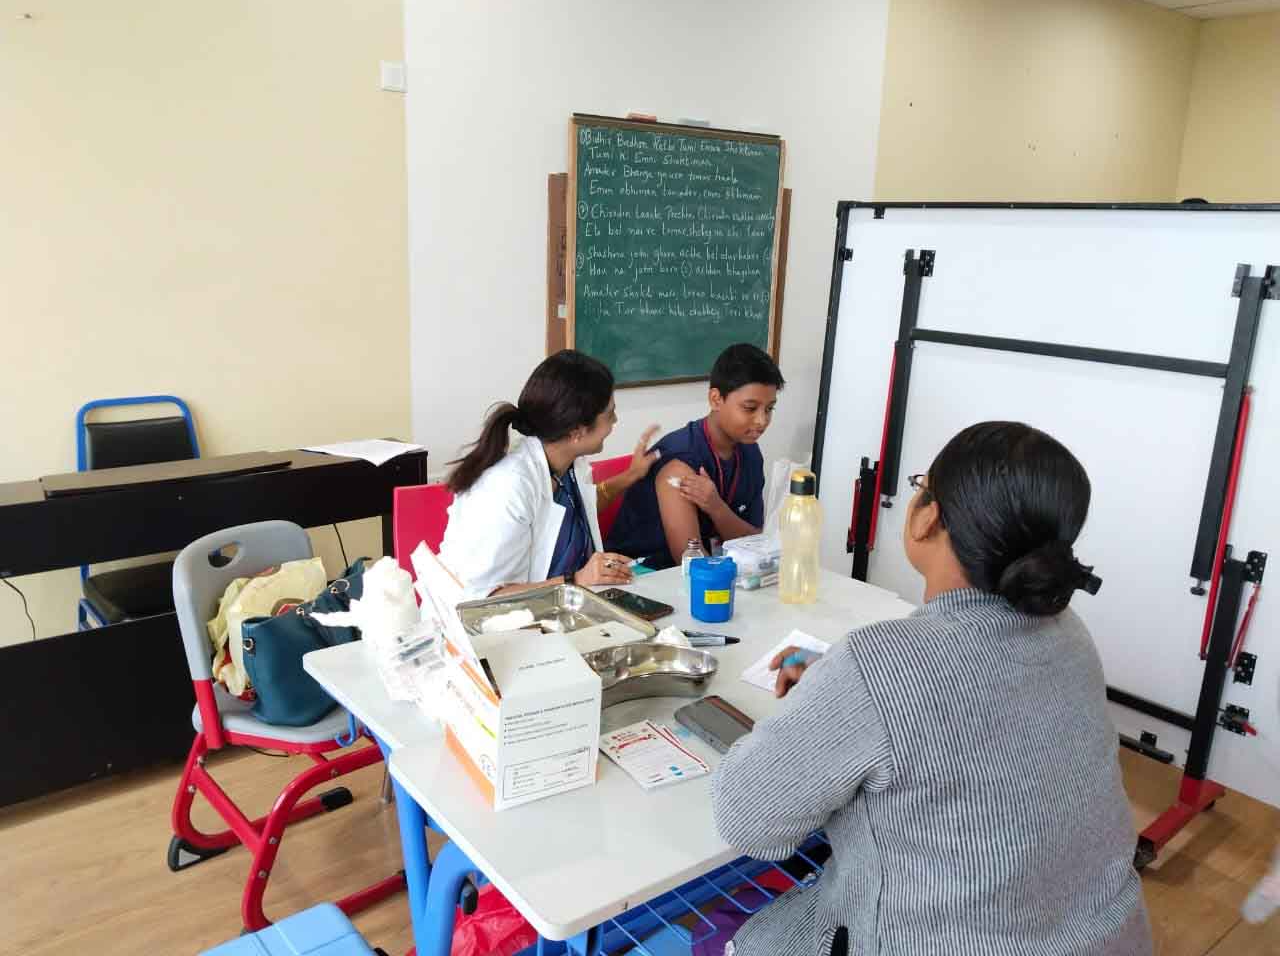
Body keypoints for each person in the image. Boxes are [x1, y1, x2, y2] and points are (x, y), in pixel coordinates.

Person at [712, 421, 1151, 956]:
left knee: (741, 935)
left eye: (921, 485)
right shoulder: (1069, 631)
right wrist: (843, 689)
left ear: (928, 516)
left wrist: (842, 694)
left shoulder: (879, 665)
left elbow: (748, 820)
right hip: (1103, 936)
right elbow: (977, 701)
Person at [438, 350, 660, 599]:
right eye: (609, 414)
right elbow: (484, 598)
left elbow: (577, 509)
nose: (615, 420)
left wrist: (631, 475)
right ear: (577, 431)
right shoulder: (508, 486)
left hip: (563, 605)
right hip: (493, 619)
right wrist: (577, 580)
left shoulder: (567, 463)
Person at [606, 343, 784, 569]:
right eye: (750, 408)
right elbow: (690, 563)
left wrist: (716, 508)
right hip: (644, 574)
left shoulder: (749, 452)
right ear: (716, 399)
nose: (762, 421)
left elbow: (755, 543)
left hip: (711, 570)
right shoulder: (680, 462)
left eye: (769, 409)